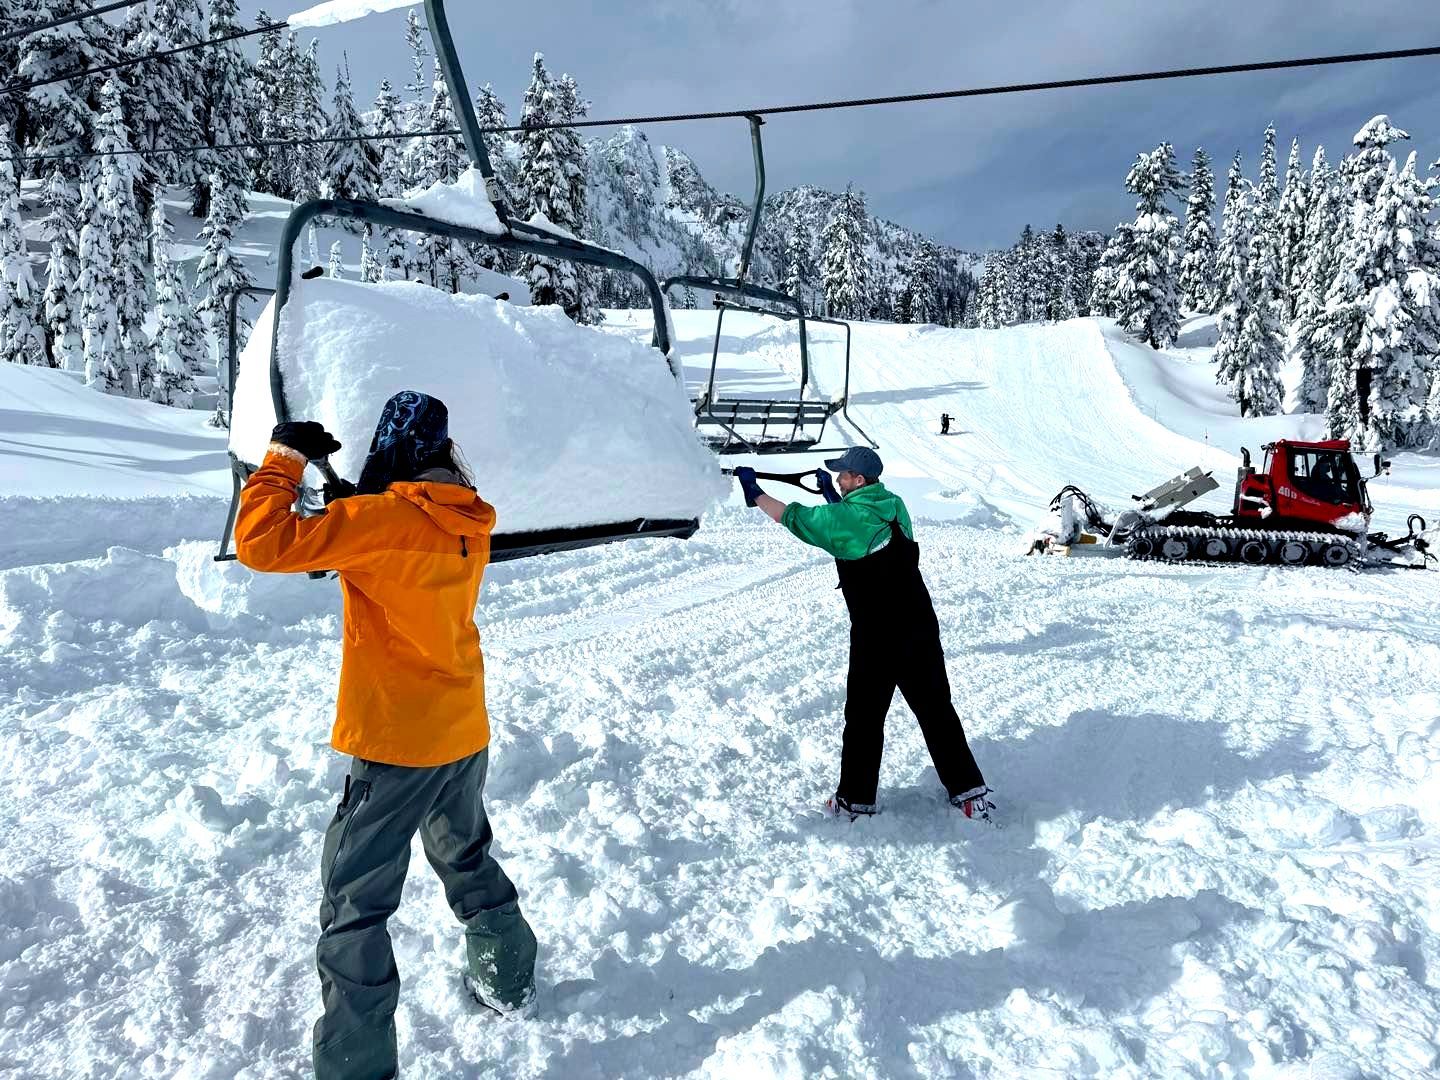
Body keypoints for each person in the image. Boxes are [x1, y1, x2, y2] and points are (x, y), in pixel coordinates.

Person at [235, 390, 538, 1080]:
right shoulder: (468, 517)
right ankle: (508, 976)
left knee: (355, 906)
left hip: (397, 744)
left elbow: (261, 544)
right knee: (465, 857)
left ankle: (355, 1064)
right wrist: (347, 497)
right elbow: (397, 550)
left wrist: (283, 459)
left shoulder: (375, 520)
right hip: (461, 729)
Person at [734, 448, 993, 822]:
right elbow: (861, 527)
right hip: (920, 626)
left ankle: (855, 801)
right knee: (936, 711)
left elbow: (792, 517)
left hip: (878, 635)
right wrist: (834, 499)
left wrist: (754, 491)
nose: (837, 478)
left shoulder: (845, 518)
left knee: (864, 719)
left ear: (859, 479)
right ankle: (970, 795)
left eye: (843, 474)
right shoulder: (894, 504)